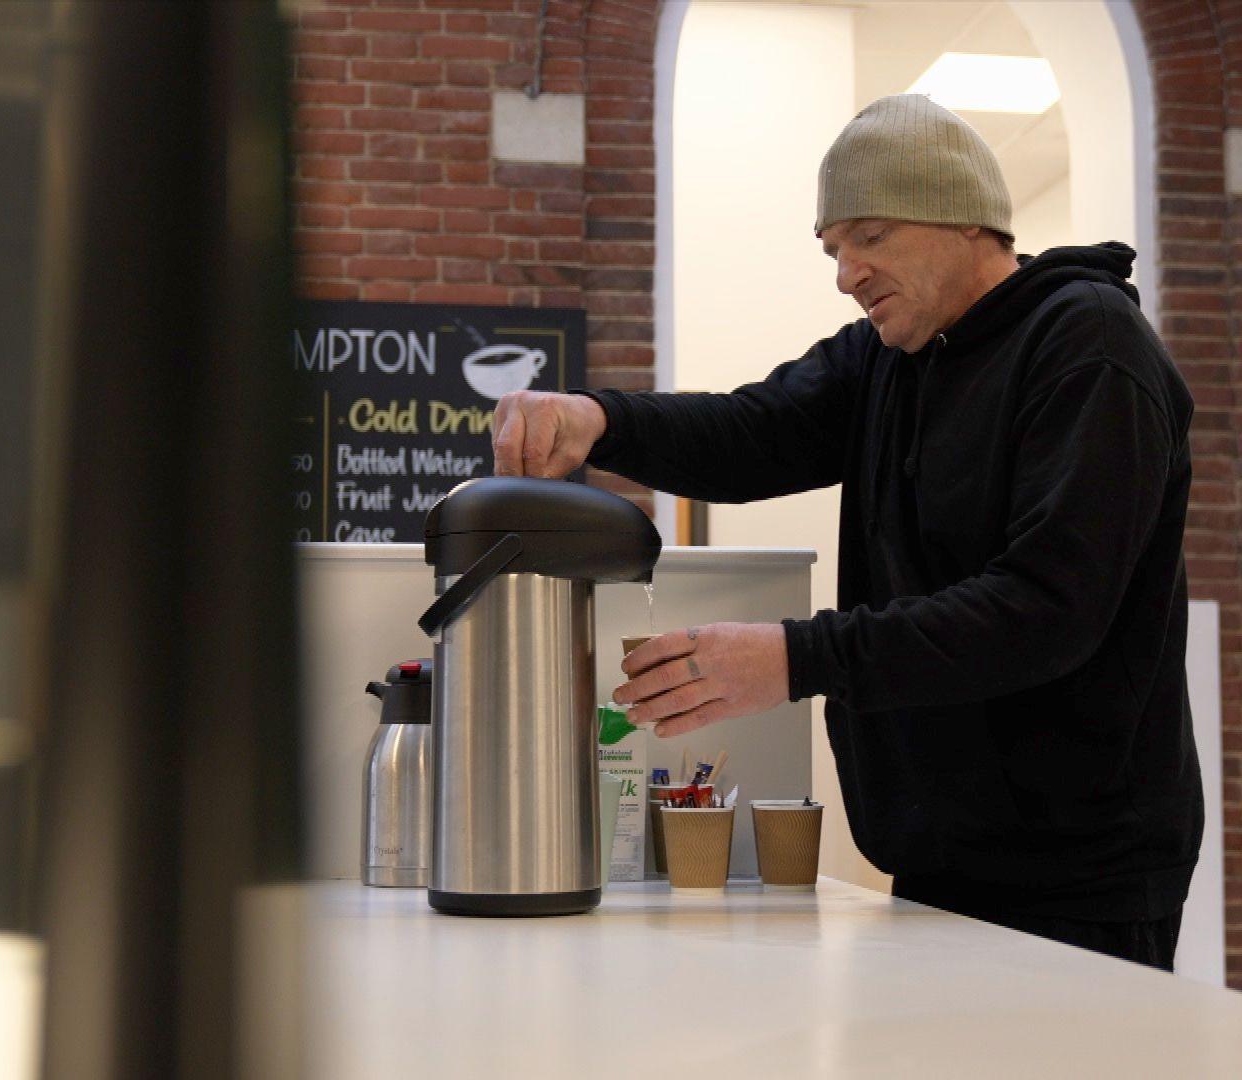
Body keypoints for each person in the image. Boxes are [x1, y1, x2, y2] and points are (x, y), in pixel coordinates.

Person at [489, 94, 1203, 971]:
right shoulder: (887, 359)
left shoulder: (1090, 350)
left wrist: (793, 658)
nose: (846, 273)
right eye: (833, 249)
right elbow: (755, 432)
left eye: (869, 235)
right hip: (937, 852)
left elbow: (1046, 609)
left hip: (1083, 869)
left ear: (962, 220)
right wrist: (600, 419)